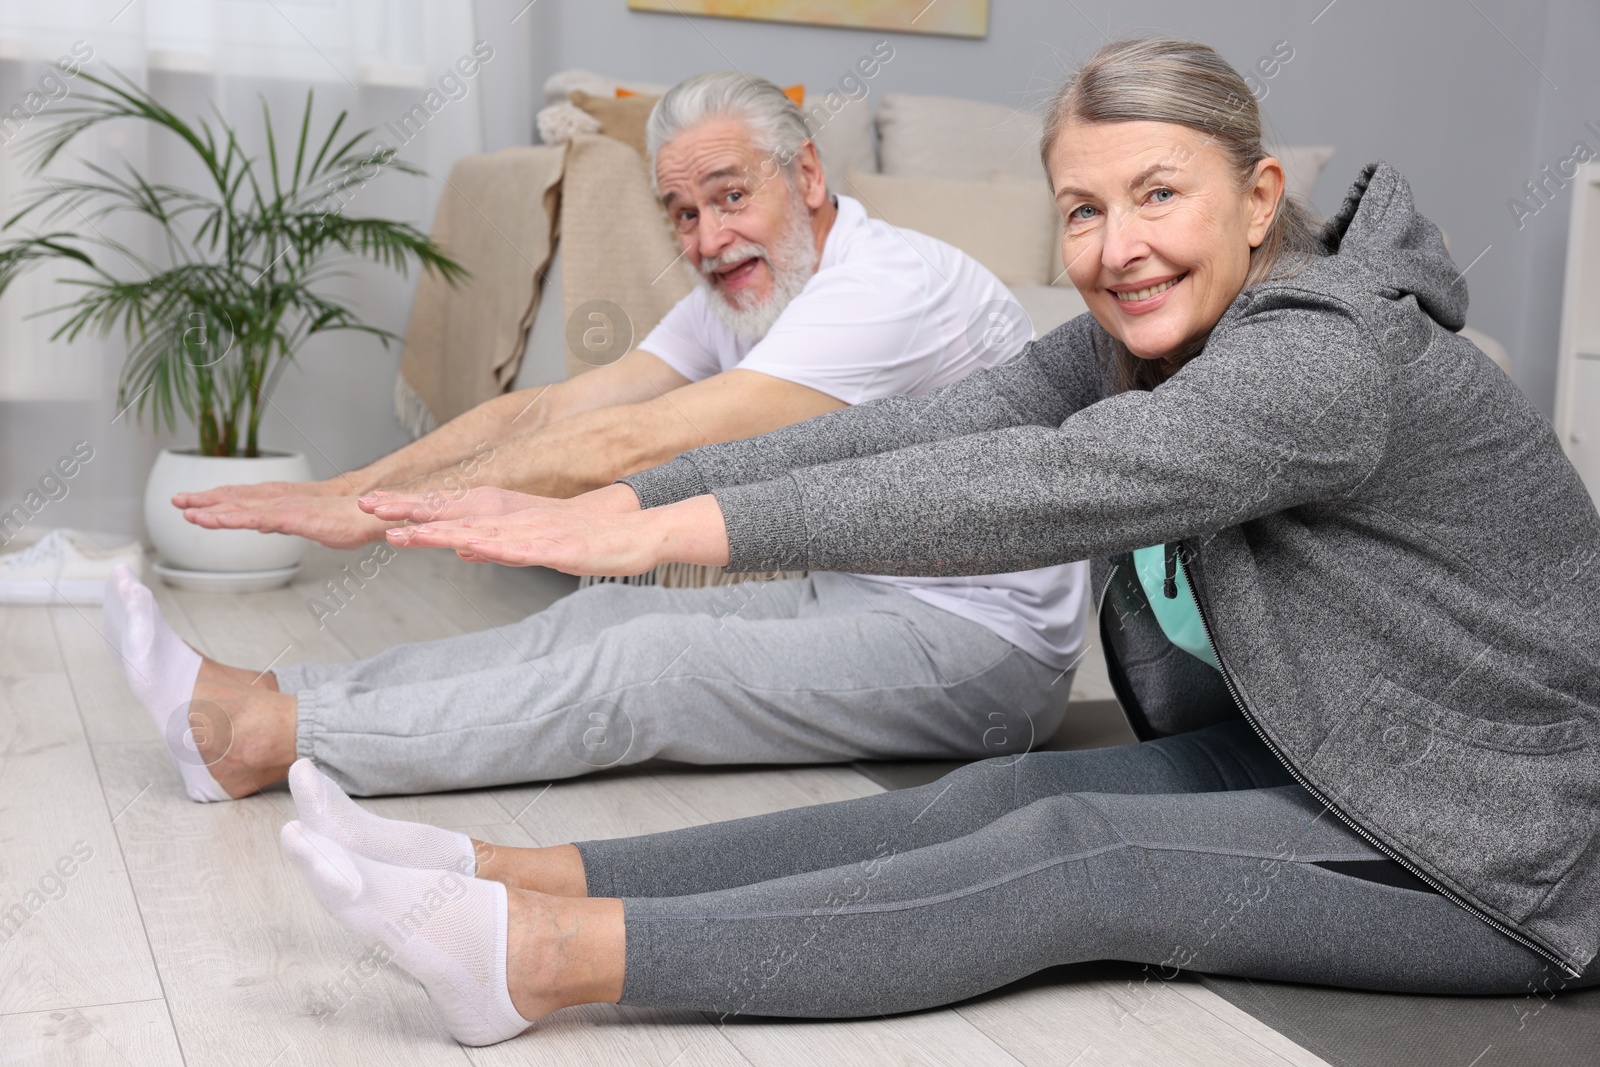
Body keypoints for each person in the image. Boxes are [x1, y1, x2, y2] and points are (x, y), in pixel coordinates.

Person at [268, 36, 1600, 1046]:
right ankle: (499, 873)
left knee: (1084, 858)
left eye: (1158, 195)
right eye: (1084, 209)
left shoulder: (1324, 362)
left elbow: (1031, 484)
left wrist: (665, 525)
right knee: (991, 797)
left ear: (1258, 200)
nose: (1118, 246)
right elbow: (930, 435)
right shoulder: (1140, 337)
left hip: (1501, 849)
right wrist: (618, 506)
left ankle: (539, 959)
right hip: (1327, 753)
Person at [102, 72, 1088, 802]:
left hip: (985, 654)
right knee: (597, 621)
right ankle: (276, 691)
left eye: (731, 196)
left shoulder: (884, 289)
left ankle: (273, 734)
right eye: (682, 214)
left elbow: (639, 442)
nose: (706, 239)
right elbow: (555, 409)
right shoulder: (750, 283)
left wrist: (386, 512)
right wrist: (356, 483)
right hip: (861, 590)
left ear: (810, 175)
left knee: (648, 663)